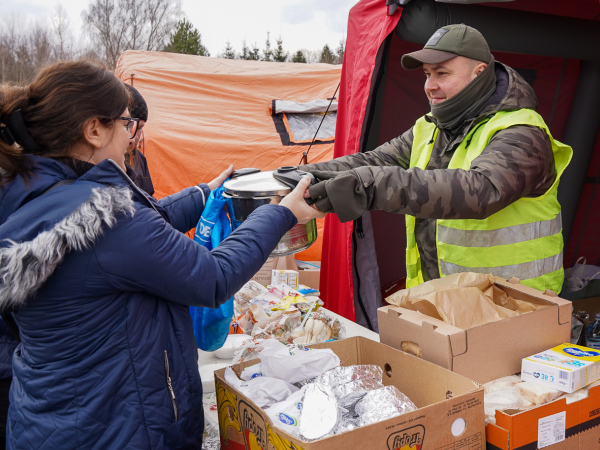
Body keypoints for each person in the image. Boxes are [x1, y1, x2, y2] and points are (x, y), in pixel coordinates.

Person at [0, 60, 315, 449]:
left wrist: (203, 194)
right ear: (94, 130)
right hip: (117, 429)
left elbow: (133, 239)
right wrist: (282, 213)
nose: (131, 136)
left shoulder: (31, 198)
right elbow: (213, 277)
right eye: (126, 122)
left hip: (50, 420)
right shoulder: (105, 216)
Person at [299, 24, 572, 294]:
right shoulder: (429, 126)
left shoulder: (522, 131)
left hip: (514, 305)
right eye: (428, 75)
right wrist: (301, 175)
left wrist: (370, 186)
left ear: (478, 74)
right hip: (444, 300)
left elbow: (481, 191)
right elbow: (377, 160)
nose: (430, 86)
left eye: (442, 73)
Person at [124, 83, 155, 196]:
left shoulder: (139, 159)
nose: (135, 138)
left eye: (140, 128)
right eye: (128, 126)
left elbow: (148, 200)